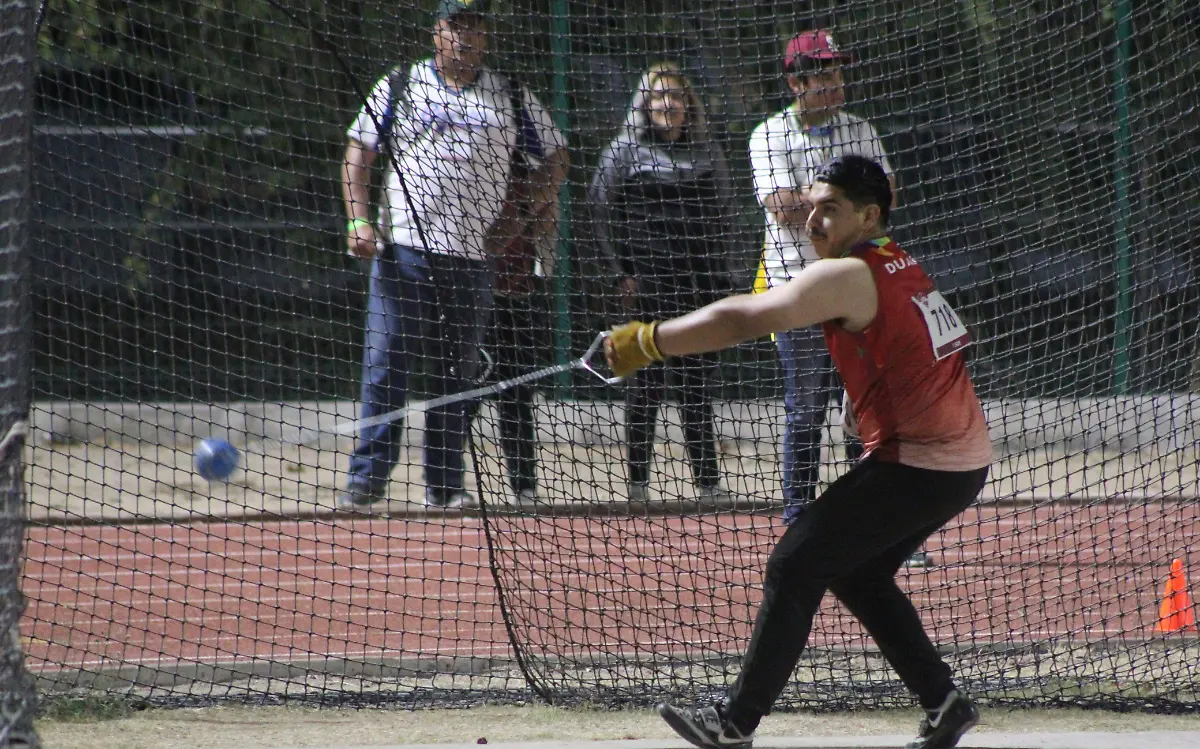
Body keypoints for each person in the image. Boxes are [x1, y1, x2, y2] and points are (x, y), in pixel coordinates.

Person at [605, 155, 993, 749]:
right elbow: (920, 345)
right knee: (856, 573)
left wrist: (649, 340)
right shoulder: (899, 261)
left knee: (793, 565)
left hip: (922, 464)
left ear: (868, 216)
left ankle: (734, 723)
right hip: (958, 465)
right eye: (811, 206)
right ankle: (945, 703)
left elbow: (744, 318)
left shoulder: (846, 273)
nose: (811, 221)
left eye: (828, 209)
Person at [339, 0, 567, 510]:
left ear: (486, 36)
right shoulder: (400, 84)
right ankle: (366, 479)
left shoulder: (510, 94)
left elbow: (557, 158)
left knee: (456, 376)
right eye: (455, 25)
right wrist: (358, 220)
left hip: (472, 258)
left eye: (475, 26)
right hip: (403, 251)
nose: (466, 35)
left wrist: (521, 214)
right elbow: (358, 154)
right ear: (435, 32)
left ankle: (444, 486)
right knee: (386, 365)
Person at [749, 30, 895, 525]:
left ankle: (868, 520)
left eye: (838, 73)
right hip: (798, 287)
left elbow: (887, 197)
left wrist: (816, 199)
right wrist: (846, 202)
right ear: (797, 83)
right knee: (807, 408)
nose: (837, 84)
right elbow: (781, 206)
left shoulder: (861, 129)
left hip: (857, 284)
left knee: (866, 405)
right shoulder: (769, 134)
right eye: (825, 75)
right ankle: (798, 519)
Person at [590, 62, 739, 505]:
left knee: (696, 390)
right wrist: (618, 275)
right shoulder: (623, 151)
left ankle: (708, 486)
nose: (668, 104)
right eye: (659, 96)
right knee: (644, 388)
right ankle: (637, 487)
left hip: (699, 288)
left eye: (676, 96)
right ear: (645, 104)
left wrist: (726, 277)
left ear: (689, 104)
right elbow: (596, 215)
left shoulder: (708, 152)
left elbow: (727, 216)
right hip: (645, 289)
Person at [481, 142, 565, 506]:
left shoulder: (529, 175)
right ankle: (444, 483)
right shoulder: (474, 178)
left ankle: (524, 483)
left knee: (517, 392)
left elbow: (546, 226)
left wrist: (536, 207)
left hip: (520, 296)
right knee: (466, 391)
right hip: (475, 298)